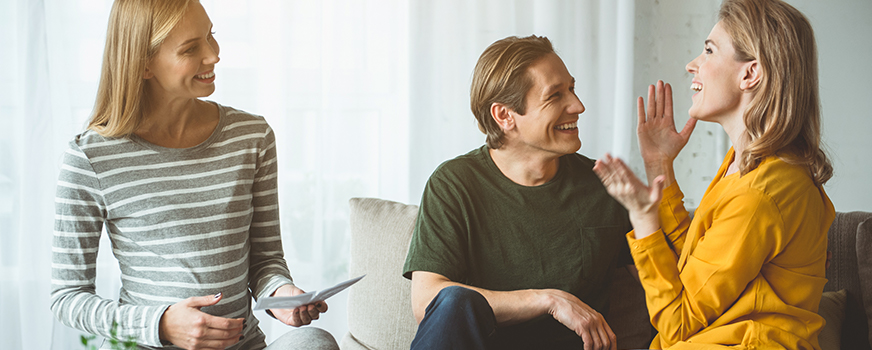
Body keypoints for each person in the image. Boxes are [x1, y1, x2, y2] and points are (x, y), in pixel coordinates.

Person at [49, 1, 338, 349]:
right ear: (143, 63)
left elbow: (265, 260)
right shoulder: (90, 156)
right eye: (191, 48)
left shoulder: (251, 137)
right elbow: (67, 297)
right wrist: (161, 324)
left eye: (210, 35)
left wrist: (281, 295)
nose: (213, 55)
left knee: (314, 342)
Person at [592, 0, 835, 348]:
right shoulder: (749, 167)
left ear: (749, 74)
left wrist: (644, 221)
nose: (693, 65)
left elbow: (678, 322)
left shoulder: (762, 193)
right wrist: (660, 166)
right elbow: (697, 270)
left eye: (708, 51)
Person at [402, 35, 631, 350]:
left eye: (572, 89)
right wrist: (546, 300)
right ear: (504, 116)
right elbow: (428, 301)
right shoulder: (454, 184)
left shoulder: (607, 185)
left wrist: (661, 166)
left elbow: (675, 288)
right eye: (555, 96)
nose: (578, 106)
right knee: (454, 300)